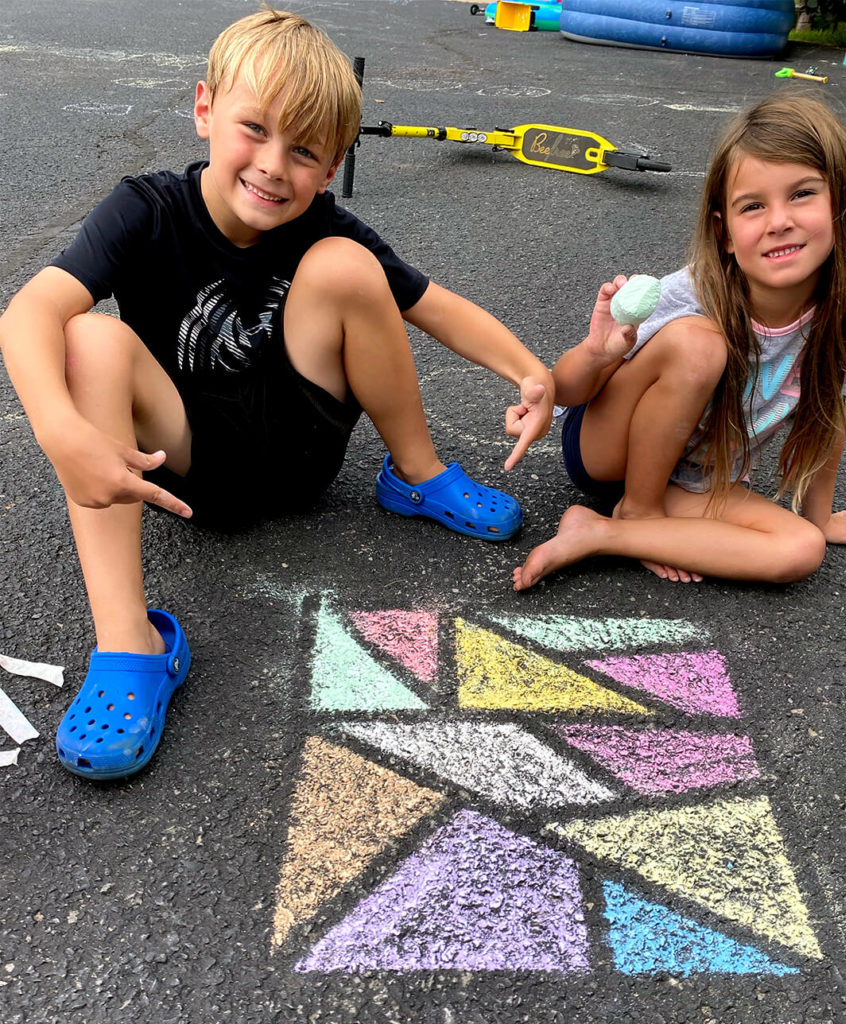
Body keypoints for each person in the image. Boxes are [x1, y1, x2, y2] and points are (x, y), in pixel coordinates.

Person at [0, 6, 553, 779]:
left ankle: (417, 476)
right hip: (185, 464)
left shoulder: (324, 223)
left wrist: (531, 370)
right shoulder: (147, 210)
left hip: (298, 455)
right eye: (253, 128)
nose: (272, 165)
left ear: (330, 170)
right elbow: (29, 310)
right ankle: (131, 643)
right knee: (87, 336)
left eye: (303, 151)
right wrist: (60, 429)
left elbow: (431, 303)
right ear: (204, 109)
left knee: (350, 270)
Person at [514, 92, 846, 592]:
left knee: (801, 549)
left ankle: (601, 532)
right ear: (726, 233)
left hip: (696, 479)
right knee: (699, 344)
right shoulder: (690, 293)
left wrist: (819, 518)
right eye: (753, 206)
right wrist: (597, 353)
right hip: (607, 453)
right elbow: (567, 391)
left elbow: (827, 416)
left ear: (841, 202)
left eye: (802, 194)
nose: (779, 221)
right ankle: (639, 515)